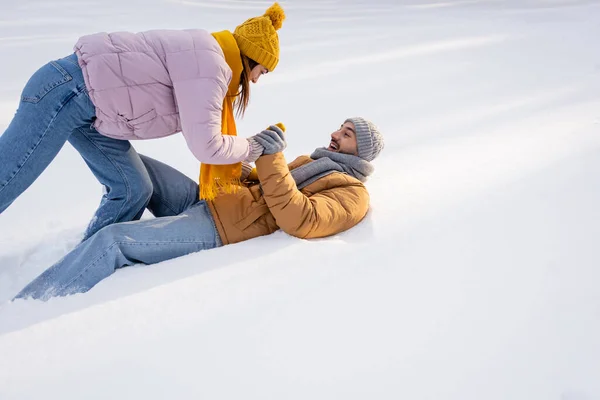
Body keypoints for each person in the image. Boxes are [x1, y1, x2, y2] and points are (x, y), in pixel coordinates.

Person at [13, 117, 385, 301]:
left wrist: (272, 159)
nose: (336, 133)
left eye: (347, 133)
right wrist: (247, 154)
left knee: (114, 241)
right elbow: (256, 185)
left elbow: (301, 219)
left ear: (361, 151)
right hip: (208, 201)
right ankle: (72, 120)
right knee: (132, 166)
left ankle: (30, 304)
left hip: (218, 230)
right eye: (340, 127)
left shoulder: (351, 193)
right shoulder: (311, 161)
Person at [0, 3, 285, 241]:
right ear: (252, 58)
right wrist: (250, 146)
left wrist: (240, 158)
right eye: (262, 70)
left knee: (133, 188)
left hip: (92, 108)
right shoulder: (210, 66)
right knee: (7, 179)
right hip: (67, 92)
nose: (257, 79)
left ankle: (85, 259)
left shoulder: (208, 54)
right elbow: (206, 145)